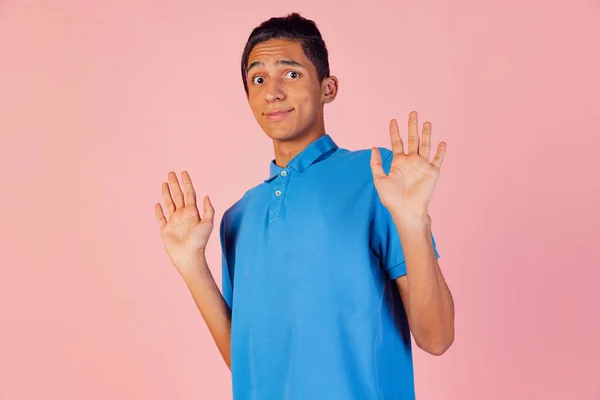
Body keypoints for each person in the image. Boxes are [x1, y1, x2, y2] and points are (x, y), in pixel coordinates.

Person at [154, 12, 454, 400]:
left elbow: (437, 337)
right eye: (257, 79)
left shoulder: (377, 176)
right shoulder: (238, 217)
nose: (272, 92)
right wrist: (192, 267)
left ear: (328, 87)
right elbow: (247, 363)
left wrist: (413, 222)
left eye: (291, 74)